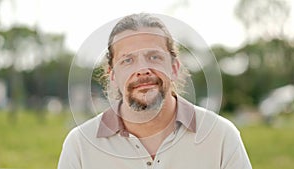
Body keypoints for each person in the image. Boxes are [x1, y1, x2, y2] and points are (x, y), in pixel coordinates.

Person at [58, 13, 252, 169]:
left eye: (154, 57)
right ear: (113, 75)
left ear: (174, 68)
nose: (142, 69)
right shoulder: (80, 145)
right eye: (128, 60)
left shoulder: (221, 136)